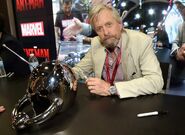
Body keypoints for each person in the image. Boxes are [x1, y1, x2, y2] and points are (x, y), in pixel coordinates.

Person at [72, 5, 163, 99]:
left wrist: (112, 89)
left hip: (134, 102)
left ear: (120, 24)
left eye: (109, 25)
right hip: (105, 105)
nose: (106, 32)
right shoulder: (96, 43)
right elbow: (78, 70)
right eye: (99, 29)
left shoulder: (141, 42)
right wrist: (70, 77)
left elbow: (156, 81)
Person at [170, 0, 185, 83]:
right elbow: (175, 42)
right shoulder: (181, 26)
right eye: (179, 9)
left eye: (182, 8)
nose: (181, 12)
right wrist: (177, 51)